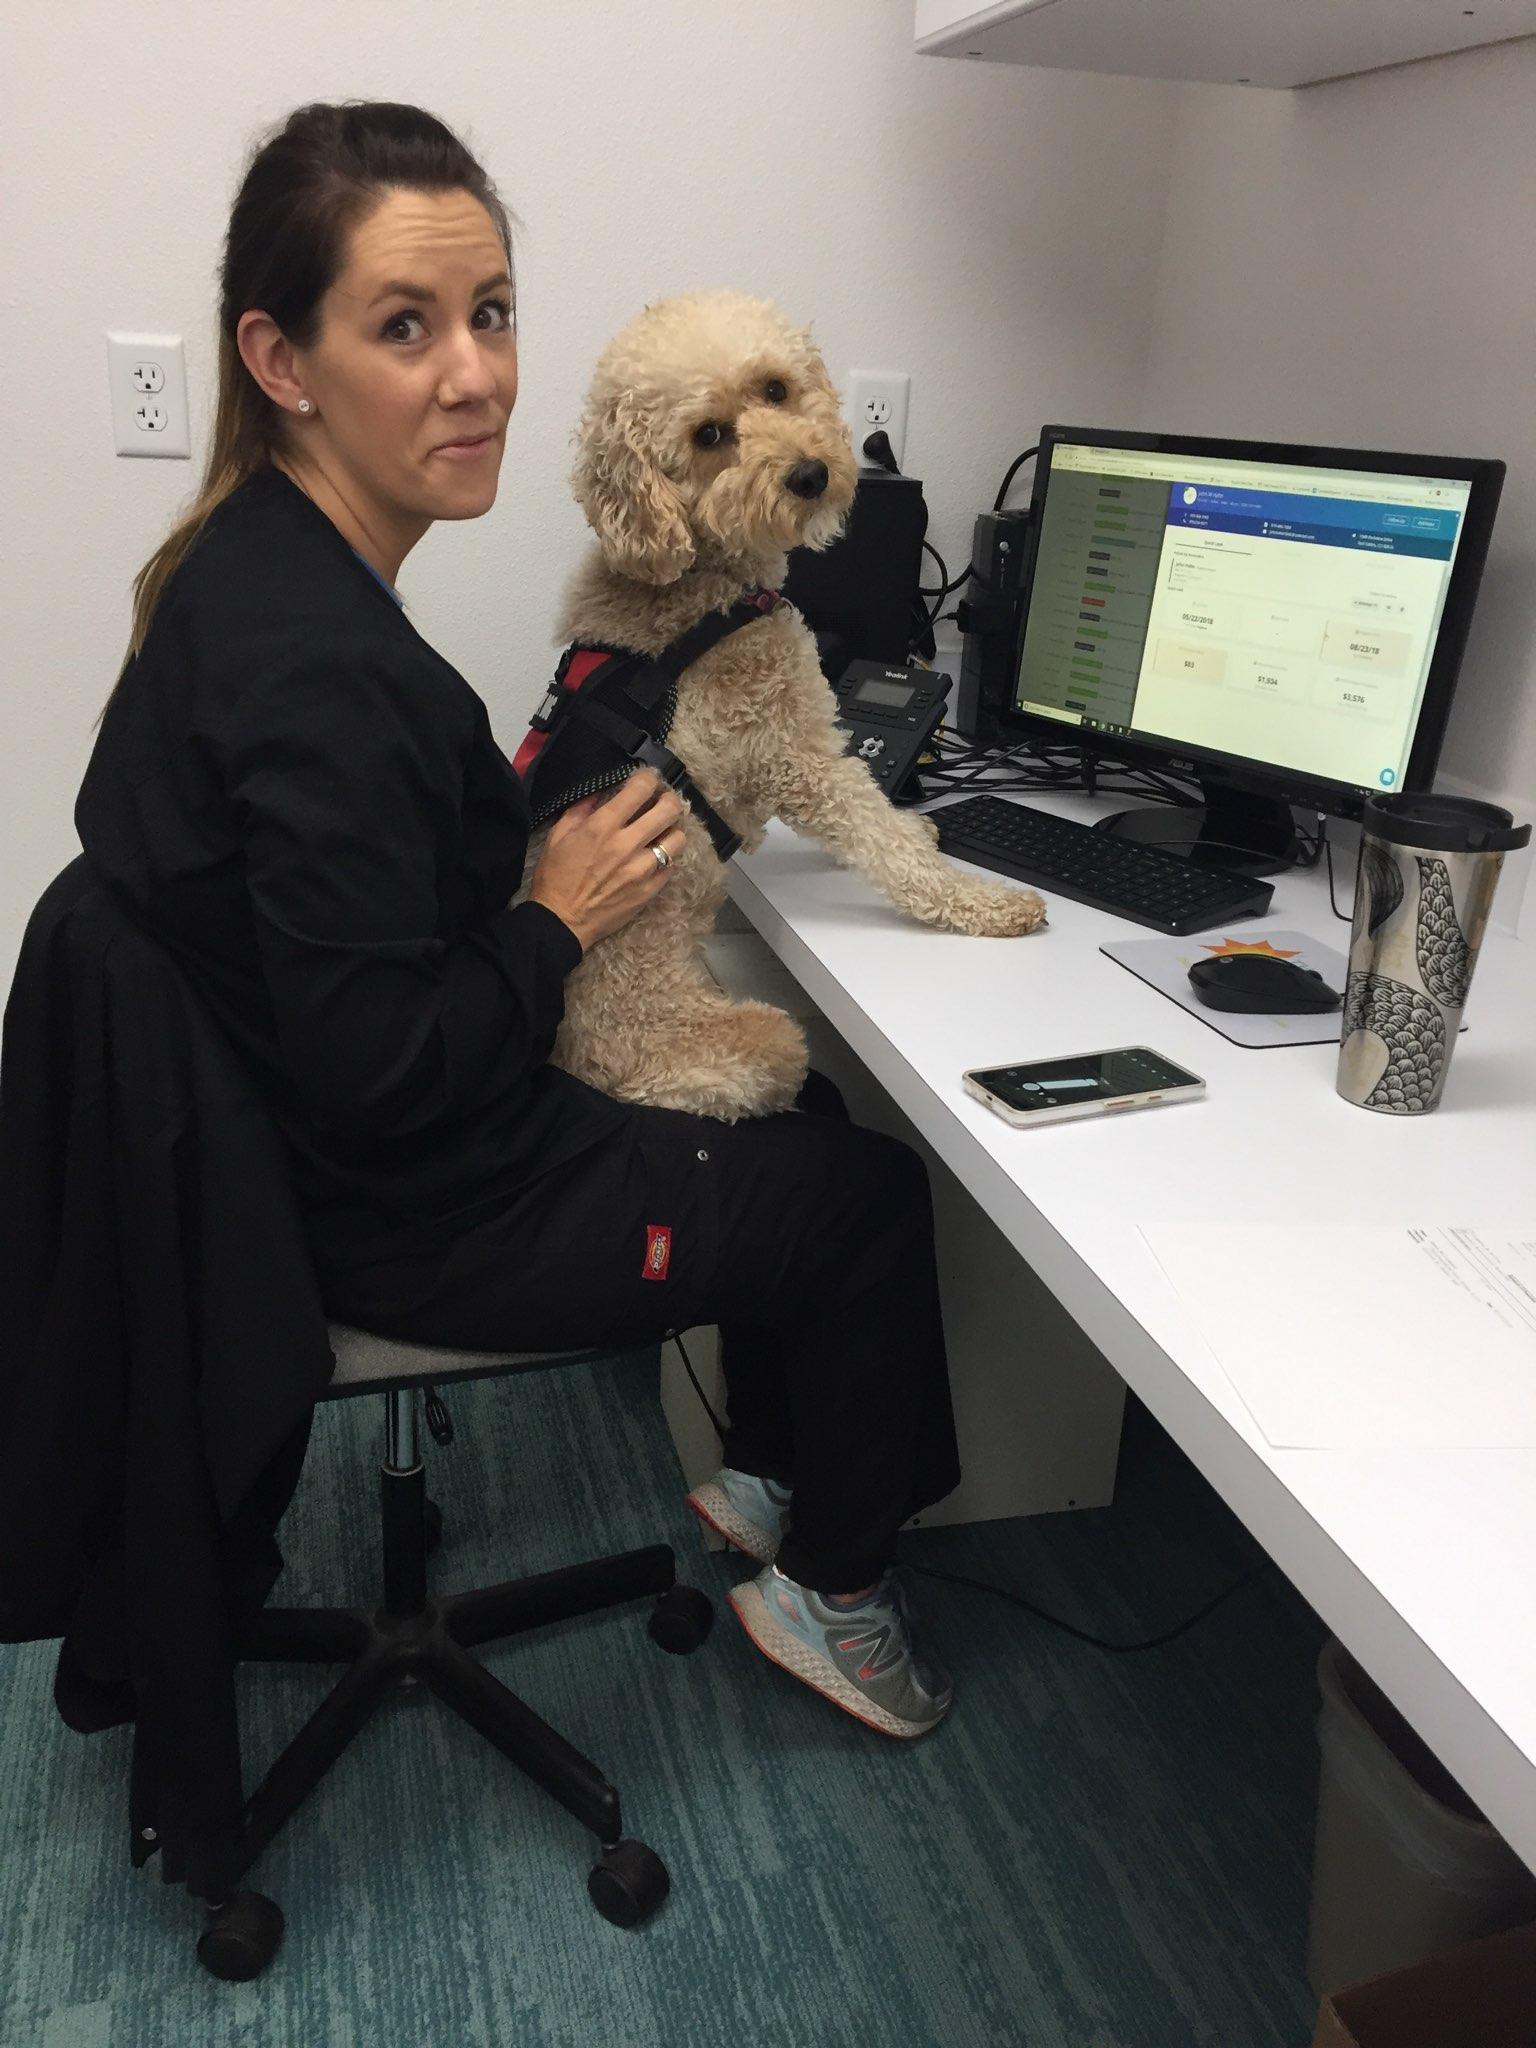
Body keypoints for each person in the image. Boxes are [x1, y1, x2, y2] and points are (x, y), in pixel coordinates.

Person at [74, 100, 962, 1741]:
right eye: (404, 327)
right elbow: (380, 1067)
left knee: (808, 1107)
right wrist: (549, 916)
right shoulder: (319, 668)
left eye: (489, 314)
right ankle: (840, 1596)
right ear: (281, 359)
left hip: (304, 1157)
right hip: (409, 1203)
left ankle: (770, 1483)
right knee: (860, 1198)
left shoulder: (250, 570)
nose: (475, 372)